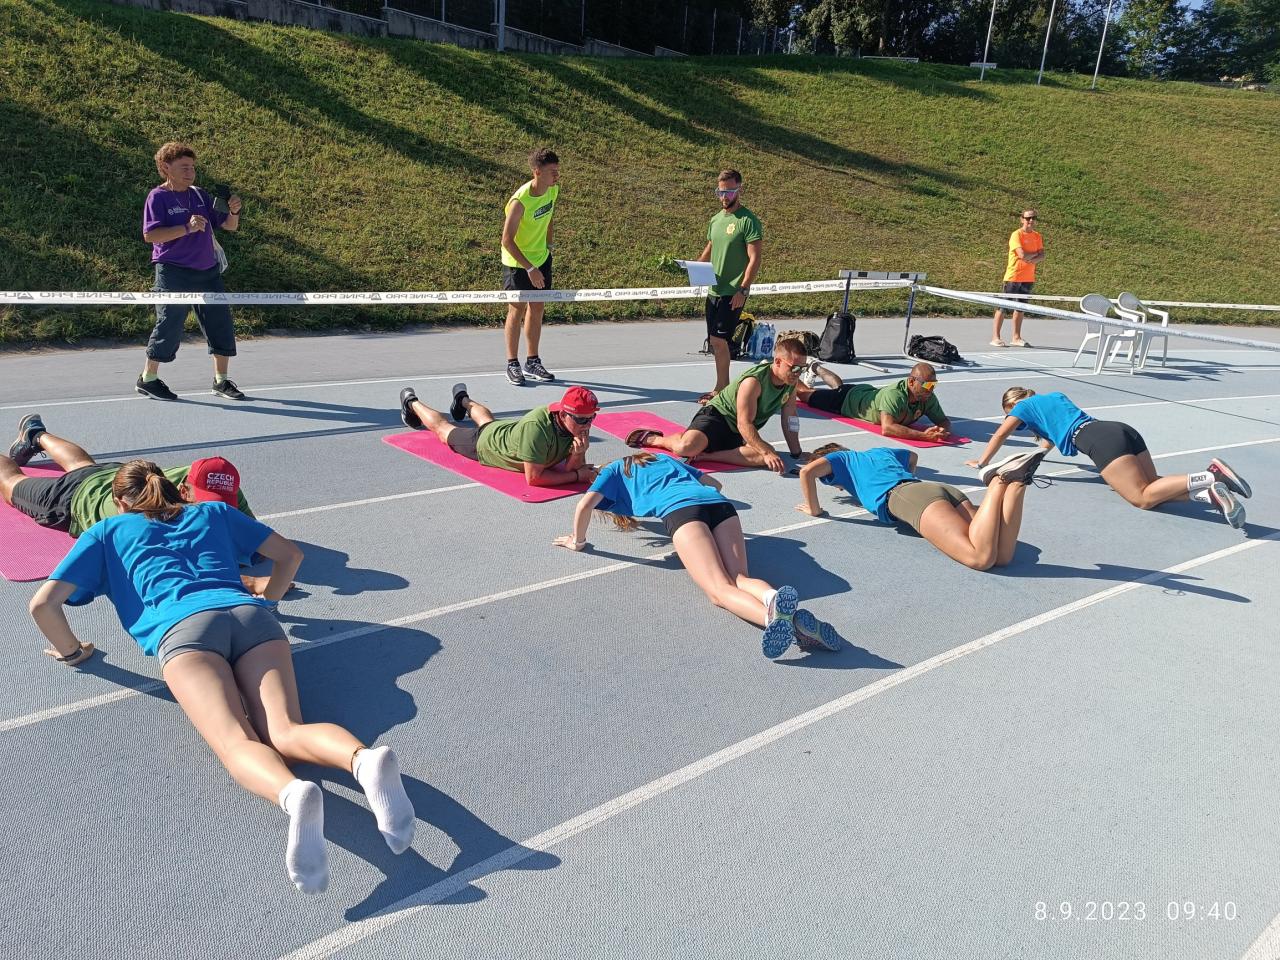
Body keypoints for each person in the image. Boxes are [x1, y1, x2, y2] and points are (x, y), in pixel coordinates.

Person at [28, 460, 416, 893]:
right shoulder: (214, 512)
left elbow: (43, 604)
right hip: (251, 617)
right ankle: (362, 761)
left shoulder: (106, 531)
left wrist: (72, 651)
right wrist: (270, 602)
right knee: (286, 729)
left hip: (184, 632)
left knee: (236, 742)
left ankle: (292, 793)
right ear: (174, 488)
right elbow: (291, 556)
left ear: (120, 502)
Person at [554, 452, 838, 658]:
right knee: (740, 577)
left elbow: (584, 505)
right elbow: (715, 484)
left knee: (719, 590)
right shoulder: (664, 459)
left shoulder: (614, 470)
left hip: (681, 511)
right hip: (720, 505)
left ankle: (777, 621)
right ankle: (774, 599)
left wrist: (577, 541)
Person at [966, 388, 1252, 528]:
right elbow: (1050, 439)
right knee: (1154, 487)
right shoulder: (1053, 398)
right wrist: (1037, 456)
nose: (1016, 421)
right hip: (1118, 429)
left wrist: (982, 462)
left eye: (1011, 415)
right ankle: (1209, 494)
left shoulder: (1022, 407)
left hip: (1097, 441)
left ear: (1011, 405)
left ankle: (1211, 474)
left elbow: (1000, 434)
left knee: (1141, 498)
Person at [798, 443, 1044, 570]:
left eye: (827, 479)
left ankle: (998, 480)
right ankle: (1017, 483)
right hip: (934, 489)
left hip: (908, 497)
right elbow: (912, 456)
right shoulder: (879, 452)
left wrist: (814, 509)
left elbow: (807, 472)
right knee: (1001, 556)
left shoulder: (840, 458)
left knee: (979, 558)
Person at [137, 142, 246, 402]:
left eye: (192, 167)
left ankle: (221, 381)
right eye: (184, 167)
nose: (190, 172)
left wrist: (234, 211)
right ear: (166, 168)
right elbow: (150, 235)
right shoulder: (157, 197)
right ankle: (148, 379)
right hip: (173, 270)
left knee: (220, 322)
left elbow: (229, 226)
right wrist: (186, 228)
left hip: (207, 271)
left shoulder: (199, 195)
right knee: (170, 321)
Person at [625, 337, 807, 473]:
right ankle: (655, 439)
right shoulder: (753, 382)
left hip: (737, 431)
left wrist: (796, 453)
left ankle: (706, 456)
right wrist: (766, 452)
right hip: (717, 417)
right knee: (686, 448)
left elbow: (790, 417)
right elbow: (744, 423)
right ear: (777, 361)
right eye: (794, 368)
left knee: (765, 455)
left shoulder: (790, 384)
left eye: (803, 369)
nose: (798, 373)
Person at [398, 383, 599, 487]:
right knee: (444, 430)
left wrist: (578, 454)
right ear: (563, 414)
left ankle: (462, 399)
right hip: (487, 445)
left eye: (592, 417)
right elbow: (534, 478)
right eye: (583, 420)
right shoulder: (537, 428)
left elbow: (572, 468)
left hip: (506, 432)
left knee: (488, 423)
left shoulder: (578, 423)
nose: (588, 424)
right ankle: (411, 402)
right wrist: (576, 476)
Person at [693, 169, 763, 403]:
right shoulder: (715, 219)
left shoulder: (748, 221)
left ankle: (721, 389)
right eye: (720, 192)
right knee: (715, 342)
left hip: (733, 292)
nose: (724, 196)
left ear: (739, 190)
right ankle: (722, 387)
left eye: (729, 192)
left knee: (719, 340)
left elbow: (755, 258)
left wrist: (743, 289)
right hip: (714, 289)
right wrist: (695, 267)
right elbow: (711, 246)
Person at [501, 148, 560, 386]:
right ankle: (512, 364)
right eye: (552, 172)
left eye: (557, 171)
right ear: (537, 172)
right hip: (517, 263)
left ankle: (532, 361)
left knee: (537, 308)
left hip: (541, 259)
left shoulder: (553, 190)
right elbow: (506, 240)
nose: (556, 176)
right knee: (516, 310)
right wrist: (529, 268)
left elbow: (549, 216)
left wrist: (549, 245)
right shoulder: (520, 201)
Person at [797, 362, 953, 442]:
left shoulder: (927, 397)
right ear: (911, 382)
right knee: (804, 394)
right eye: (927, 385)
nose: (930, 389)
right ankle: (793, 374)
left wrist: (941, 430)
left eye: (933, 385)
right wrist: (924, 436)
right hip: (847, 401)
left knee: (839, 388)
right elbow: (888, 428)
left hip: (865, 393)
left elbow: (943, 421)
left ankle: (815, 367)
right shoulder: (895, 395)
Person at [991, 208, 1044, 348]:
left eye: (1033, 218)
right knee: (1003, 306)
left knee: (1020, 307)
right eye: (1028, 218)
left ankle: (1016, 337)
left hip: (1028, 278)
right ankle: (995, 337)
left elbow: (1042, 255)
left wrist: (1030, 257)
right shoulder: (1016, 235)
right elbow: (1021, 255)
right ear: (1022, 219)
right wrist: (1034, 256)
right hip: (1013, 276)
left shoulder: (1037, 236)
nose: (1031, 221)